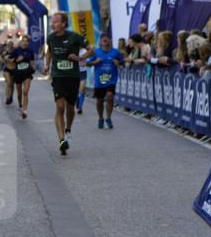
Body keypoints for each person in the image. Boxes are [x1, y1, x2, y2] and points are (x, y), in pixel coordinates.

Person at [43, 12, 87, 155]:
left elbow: (91, 49)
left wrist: (80, 58)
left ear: (63, 24)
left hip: (73, 77)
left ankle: (68, 129)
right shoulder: (51, 38)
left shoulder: (73, 36)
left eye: (56, 22)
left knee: (70, 108)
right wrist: (46, 65)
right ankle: (62, 139)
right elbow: (49, 51)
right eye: (53, 22)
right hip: (58, 77)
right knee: (60, 107)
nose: (53, 24)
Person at [87, 33, 125, 129]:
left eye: (106, 38)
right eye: (103, 39)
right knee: (99, 101)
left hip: (111, 80)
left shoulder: (115, 52)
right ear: (100, 41)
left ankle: (108, 117)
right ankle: (100, 118)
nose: (105, 40)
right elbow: (87, 63)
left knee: (110, 96)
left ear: (110, 40)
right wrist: (95, 62)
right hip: (99, 81)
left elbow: (122, 64)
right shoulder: (96, 52)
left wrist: (118, 64)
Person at [10, 34, 36, 119]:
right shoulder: (16, 50)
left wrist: (32, 66)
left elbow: (32, 60)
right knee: (19, 93)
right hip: (18, 74)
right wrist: (16, 60)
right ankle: (20, 105)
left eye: (26, 41)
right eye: (23, 41)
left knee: (25, 92)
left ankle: (24, 111)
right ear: (21, 42)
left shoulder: (30, 50)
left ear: (28, 43)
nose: (25, 43)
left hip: (27, 73)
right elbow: (8, 59)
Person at [1, 38, 15, 105]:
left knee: (12, 85)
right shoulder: (5, 52)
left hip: (14, 69)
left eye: (11, 45)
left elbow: (14, 60)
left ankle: (11, 96)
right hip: (7, 69)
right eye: (9, 45)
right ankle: (7, 97)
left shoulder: (15, 52)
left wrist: (8, 59)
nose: (10, 46)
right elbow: (0, 57)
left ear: (13, 45)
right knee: (8, 83)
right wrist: (2, 60)